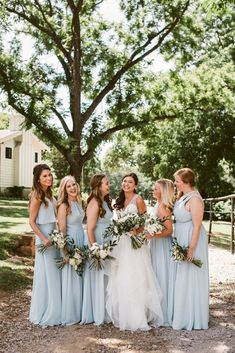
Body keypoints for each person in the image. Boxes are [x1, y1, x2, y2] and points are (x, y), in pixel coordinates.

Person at [106, 173, 163, 331]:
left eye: (130, 182)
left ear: (135, 185)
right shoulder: (118, 201)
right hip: (121, 243)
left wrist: (135, 231)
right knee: (121, 276)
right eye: (124, 181)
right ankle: (123, 314)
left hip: (134, 243)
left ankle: (137, 317)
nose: (126, 184)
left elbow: (145, 222)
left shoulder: (138, 200)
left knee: (135, 277)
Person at [168, 167, 209, 330]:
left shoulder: (195, 199)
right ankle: (182, 312)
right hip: (181, 236)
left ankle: (192, 315)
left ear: (186, 182)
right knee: (182, 275)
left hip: (192, 238)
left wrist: (191, 248)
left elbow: (197, 226)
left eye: (177, 181)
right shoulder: (183, 196)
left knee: (191, 274)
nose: (175, 184)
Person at [29, 164, 61, 326]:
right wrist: (43, 239)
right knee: (47, 273)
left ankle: (55, 307)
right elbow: (31, 222)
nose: (48, 178)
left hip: (53, 236)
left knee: (54, 272)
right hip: (44, 239)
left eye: (49, 175)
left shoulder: (49, 194)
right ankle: (47, 311)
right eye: (45, 176)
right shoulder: (36, 196)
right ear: (38, 179)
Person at [81, 174, 113, 325]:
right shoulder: (94, 202)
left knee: (106, 277)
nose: (109, 185)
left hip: (107, 242)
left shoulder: (105, 201)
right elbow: (90, 229)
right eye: (107, 183)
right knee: (98, 277)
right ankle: (97, 312)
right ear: (99, 185)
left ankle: (106, 311)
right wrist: (95, 250)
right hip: (98, 243)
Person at [145, 179, 174, 326]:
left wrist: (152, 235)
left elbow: (169, 230)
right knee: (156, 275)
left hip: (162, 245)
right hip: (156, 244)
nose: (153, 189)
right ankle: (158, 310)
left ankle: (164, 312)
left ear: (162, 191)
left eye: (155, 188)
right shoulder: (158, 204)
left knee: (162, 275)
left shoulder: (163, 207)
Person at [57, 175, 85, 325]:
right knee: (72, 276)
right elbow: (62, 230)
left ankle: (81, 310)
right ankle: (71, 313)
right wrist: (65, 252)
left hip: (82, 240)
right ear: (64, 189)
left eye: (74, 184)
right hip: (71, 241)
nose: (73, 188)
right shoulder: (64, 205)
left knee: (81, 276)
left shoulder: (79, 201)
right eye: (69, 186)